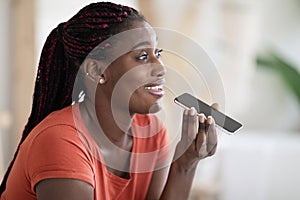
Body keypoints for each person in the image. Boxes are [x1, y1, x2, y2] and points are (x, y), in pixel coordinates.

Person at [0, 2, 218, 200]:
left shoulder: (151, 132)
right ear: (96, 70)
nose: (160, 68)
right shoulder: (61, 142)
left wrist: (186, 163)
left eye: (157, 53)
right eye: (142, 56)